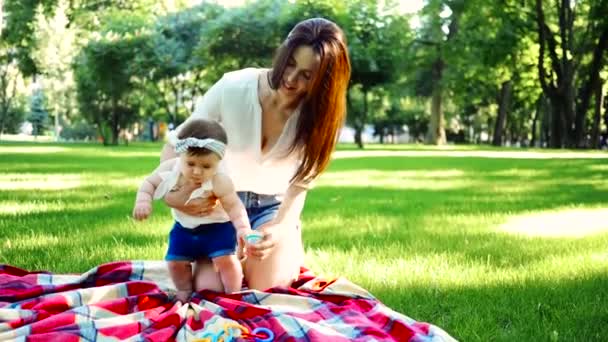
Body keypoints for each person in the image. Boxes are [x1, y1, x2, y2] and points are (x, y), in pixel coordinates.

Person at [161, 18, 351, 292]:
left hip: (271, 208)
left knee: (266, 287)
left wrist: (280, 227)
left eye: (307, 75)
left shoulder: (322, 120)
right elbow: (175, 144)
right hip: (219, 204)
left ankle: (282, 248)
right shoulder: (234, 87)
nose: (291, 78)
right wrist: (176, 194)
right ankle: (215, 256)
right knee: (208, 289)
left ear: (323, 82)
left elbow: (301, 185)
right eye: (290, 63)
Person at [133, 119, 254, 302]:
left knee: (226, 260)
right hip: (184, 229)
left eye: (206, 166)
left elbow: (234, 206)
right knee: (174, 262)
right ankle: (184, 290)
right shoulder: (170, 169)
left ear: (218, 162)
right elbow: (149, 182)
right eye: (191, 164)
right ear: (181, 155)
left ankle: (234, 293)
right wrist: (143, 200)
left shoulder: (220, 180)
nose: (197, 172)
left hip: (217, 229)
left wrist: (243, 228)